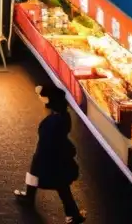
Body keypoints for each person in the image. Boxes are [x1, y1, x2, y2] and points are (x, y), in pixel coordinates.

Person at [14, 84, 85, 224]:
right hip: (52, 154)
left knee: (59, 184)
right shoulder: (63, 116)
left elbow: (49, 140)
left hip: (49, 156)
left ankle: (73, 214)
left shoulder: (53, 121)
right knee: (57, 183)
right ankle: (72, 213)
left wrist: (41, 154)